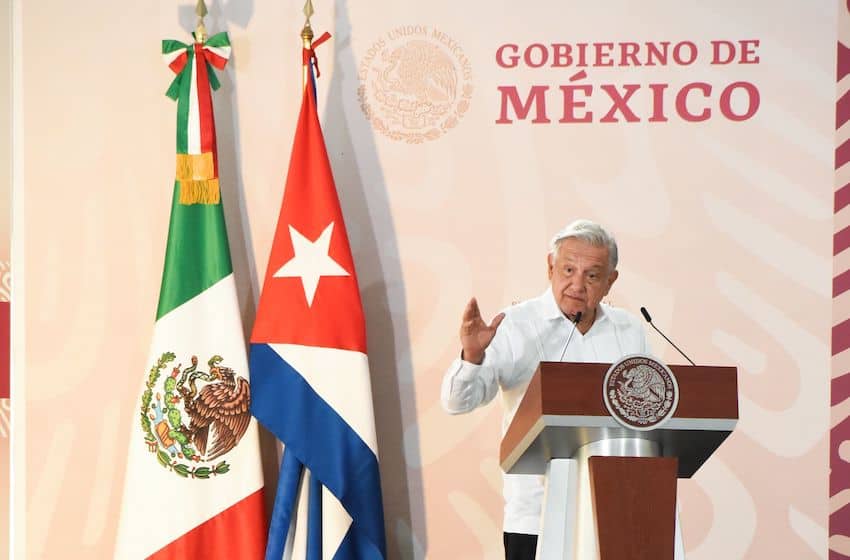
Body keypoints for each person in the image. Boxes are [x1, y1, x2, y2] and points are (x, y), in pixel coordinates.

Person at [440, 219, 651, 560]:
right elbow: (456, 403)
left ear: (610, 281)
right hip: (536, 520)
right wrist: (472, 356)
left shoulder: (628, 330)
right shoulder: (515, 325)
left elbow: (650, 414)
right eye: (568, 269)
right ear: (550, 266)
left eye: (592, 275)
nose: (577, 284)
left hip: (614, 515)